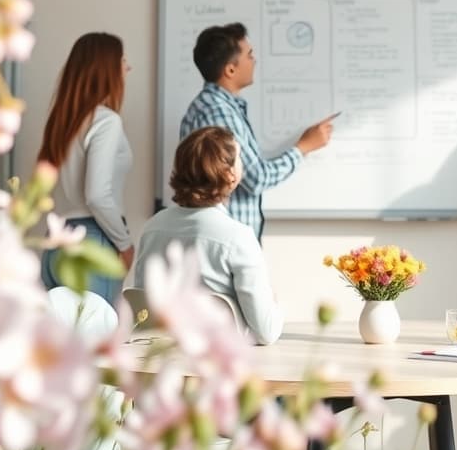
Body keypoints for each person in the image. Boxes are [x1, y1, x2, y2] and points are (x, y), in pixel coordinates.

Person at [179, 22, 334, 240]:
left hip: (226, 240)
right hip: (226, 242)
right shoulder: (219, 112)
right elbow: (256, 178)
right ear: (230, 69)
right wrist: (303, 147)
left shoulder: (219, 107)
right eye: (249, 55)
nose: (254, 60)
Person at [134, 126, 283, 345]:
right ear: (230, 175)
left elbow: (143, 310)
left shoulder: (151, 228)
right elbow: (266, 332)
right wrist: (274, 301)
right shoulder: (238, 237)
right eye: (239, 157)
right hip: (218, 358)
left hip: (160, 354)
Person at [38, 32, 134, 304]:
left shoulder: (61, 122)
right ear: (106, 68)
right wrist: (125, 244)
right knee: (97, 329)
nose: (128, 67)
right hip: (91, 244)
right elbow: (97, 195)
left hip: (55, 244)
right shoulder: (106, 121)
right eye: (122, 60)